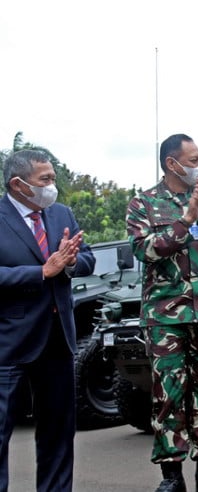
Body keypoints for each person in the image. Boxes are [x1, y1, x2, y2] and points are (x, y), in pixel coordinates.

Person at [127, 133, 198, 492]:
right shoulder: (143, 203)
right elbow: (144, 250)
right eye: (192, 160)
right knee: (168, 394)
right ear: (171, 164)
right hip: (166, 315)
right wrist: (184, 220)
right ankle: (171, 475)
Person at [0, 149, 95, 491]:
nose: (52, 186)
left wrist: (69, 264)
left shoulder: (60, 214)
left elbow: (86, 259)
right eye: (46, 180)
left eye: (53, 178)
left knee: (57, 434)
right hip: (9, 343)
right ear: (18, 184)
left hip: (58, 340)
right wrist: (41, 271)